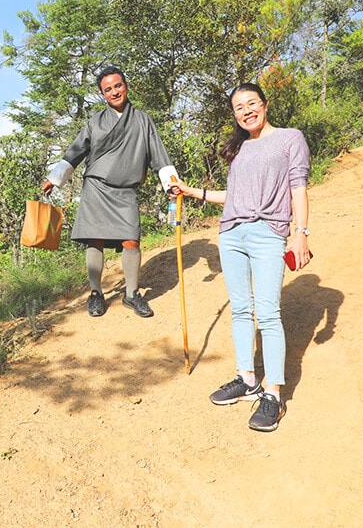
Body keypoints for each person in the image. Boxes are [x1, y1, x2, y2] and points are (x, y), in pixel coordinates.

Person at [170, 82, 311, 432]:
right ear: (234, 114)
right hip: (231, 233)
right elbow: (234, 195)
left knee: (268, 312)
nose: (246, 110)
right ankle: (247, 377)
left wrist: (301, 234)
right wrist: (193, 191)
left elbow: (298, 188)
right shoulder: (240, 149)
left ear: (264, 104)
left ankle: (274, 392)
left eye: (251, 103)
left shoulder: (290, 138)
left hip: (268, 234)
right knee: (240, 309)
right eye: (238, 107)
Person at [42, 65, 177, 318]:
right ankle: (95, 293)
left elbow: (158, 155)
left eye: (118, 85)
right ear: (103, 94)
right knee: (95, 238)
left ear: (126, 86)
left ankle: (132, 294)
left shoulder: (142, 120)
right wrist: (55, 179)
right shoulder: (95, 121)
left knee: (131, 240)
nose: (114, 92)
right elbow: (76, 151)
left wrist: (171, 183)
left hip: (126, 191)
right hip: (96, 187)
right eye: (108, 89)